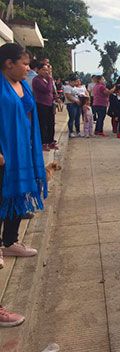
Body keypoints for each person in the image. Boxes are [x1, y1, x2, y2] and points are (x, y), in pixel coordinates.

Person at [0, 43, 48, 327]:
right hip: (5, 153)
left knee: (19, 196)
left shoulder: (21, 85)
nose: (27, 67)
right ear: (8, 63)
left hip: (22, 150)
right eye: (24, 63)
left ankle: (9, 241)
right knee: (4, 197)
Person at [32, 63, 56, 151]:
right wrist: (50, 79)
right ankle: (44, 143)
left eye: (47, 70)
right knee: (43, 124)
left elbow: (52, 91)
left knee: (51, 123)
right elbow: (47, 90)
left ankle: (51, 142)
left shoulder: (46, 80)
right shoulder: (37, 80)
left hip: (49, 104)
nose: (46, 72)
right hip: (41, 104)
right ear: (38, 70)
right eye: (43, 69)